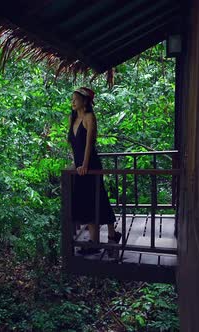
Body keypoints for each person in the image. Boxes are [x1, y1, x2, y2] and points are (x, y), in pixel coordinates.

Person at [67, 87, 121, 255]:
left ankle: (97, 241)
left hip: (91, 165)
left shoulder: (90, 117)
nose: (73, 102)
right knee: (89, 200)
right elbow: (72, 144)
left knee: (96, 198)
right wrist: (75, 163)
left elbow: (90, 144)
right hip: (79, 166)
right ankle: (105, 237)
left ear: (85, 101)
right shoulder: (73, 117)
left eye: (76, 99)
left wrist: (84, 164)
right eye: (72, 99)